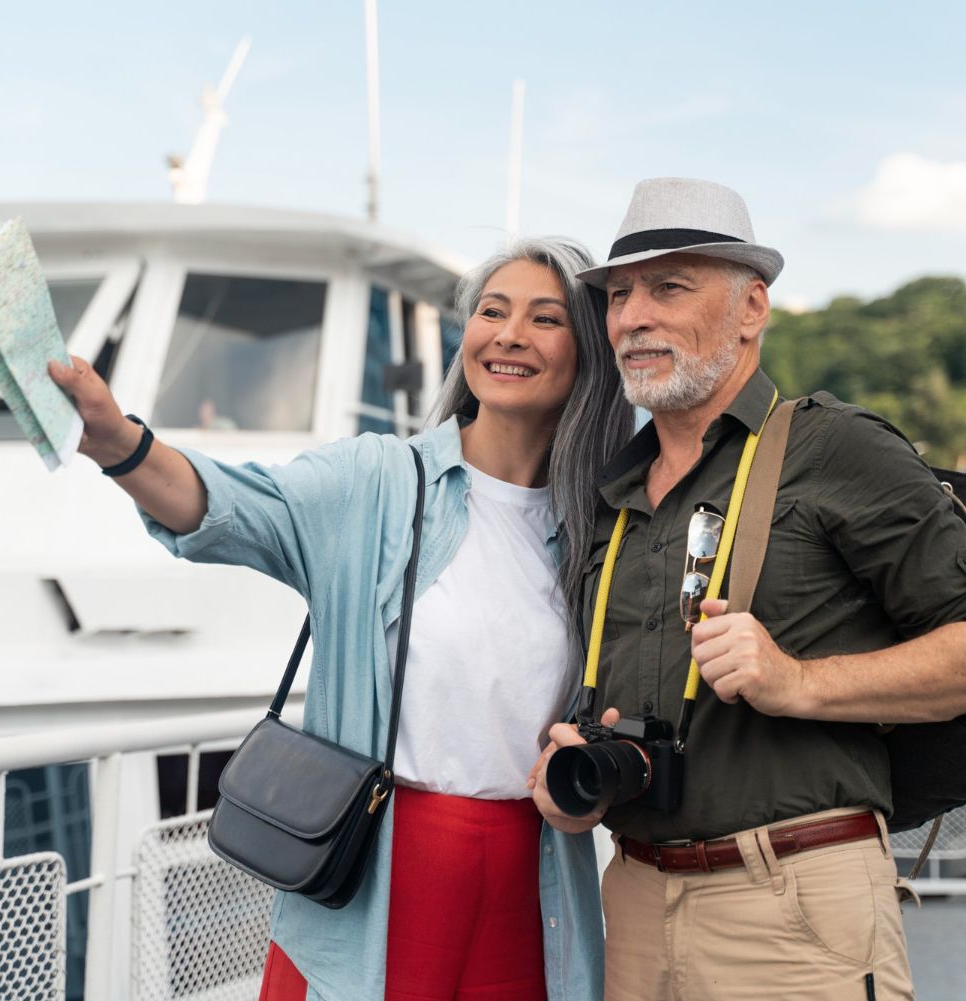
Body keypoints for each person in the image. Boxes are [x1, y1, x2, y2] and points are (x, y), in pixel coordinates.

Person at [49, 237, 632, 1001]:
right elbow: (230, 505)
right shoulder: (378, 480)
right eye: (493, 311)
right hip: (384, 867)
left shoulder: (599, 524)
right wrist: (119, 444)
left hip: (537, 874)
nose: (509, 334)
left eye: (544, 318)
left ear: (586, 355)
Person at [527, 178, 966, 1000]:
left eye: (669, 287)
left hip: (794, 900)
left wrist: (796, 680)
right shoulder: (611, 496)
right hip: (632, 901)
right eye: (619, 296)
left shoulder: (834, 447)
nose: (631, 317)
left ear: (752, 307)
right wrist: (581, 769)